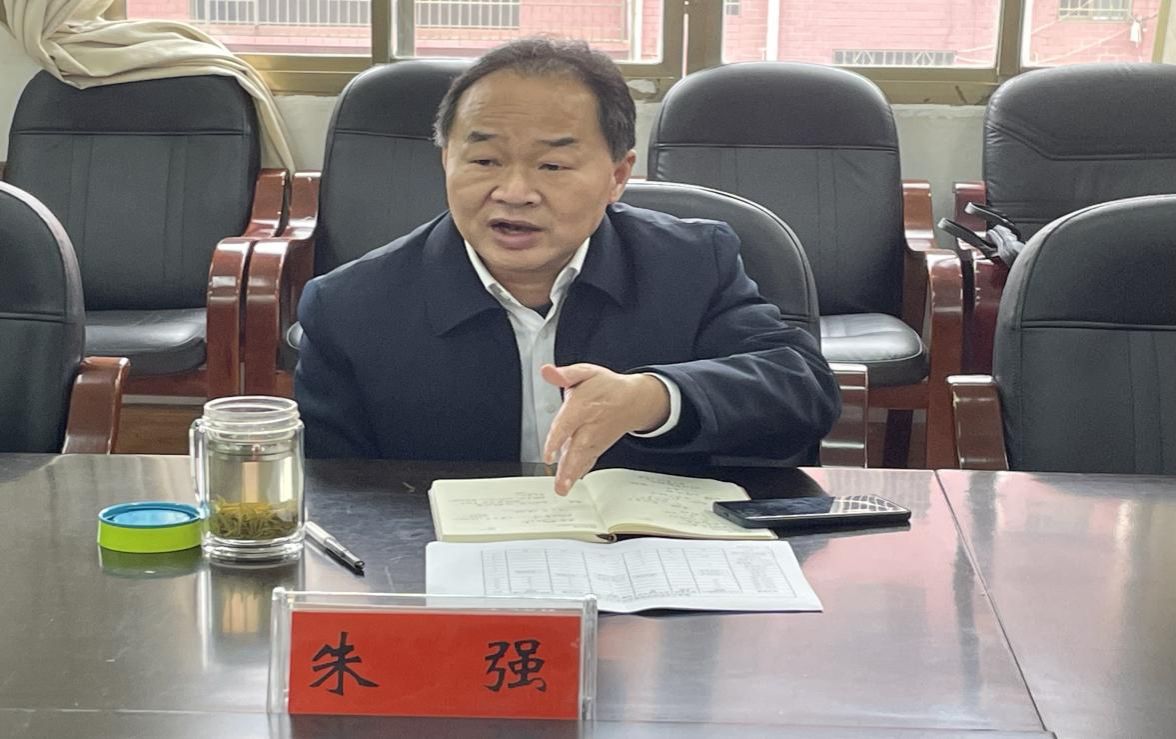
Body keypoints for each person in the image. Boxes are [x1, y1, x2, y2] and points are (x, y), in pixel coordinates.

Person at [294, 37, 840, 494]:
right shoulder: (349, 307)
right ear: (446, 161)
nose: (514, 192)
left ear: (618, 175)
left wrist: (653, 399)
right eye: (484, 160)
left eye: (552, 165)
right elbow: (335, 495)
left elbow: (803, 389)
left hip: (649, 565)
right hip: (440, 566)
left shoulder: (691, 263)